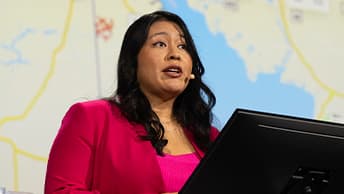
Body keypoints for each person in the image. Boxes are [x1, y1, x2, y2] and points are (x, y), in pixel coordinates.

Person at [44, 10, 219, 194]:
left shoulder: (209, 137)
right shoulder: (92, 118)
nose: (175, 54)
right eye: (160, 44)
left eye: (183, 46)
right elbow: (60, 191)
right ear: (133, 62)